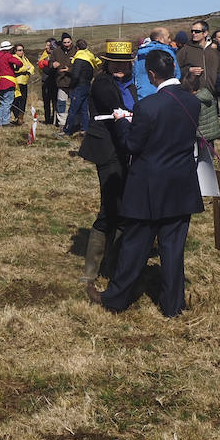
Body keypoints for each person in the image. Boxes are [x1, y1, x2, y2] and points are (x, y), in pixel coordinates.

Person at [85, 47, 202, 317]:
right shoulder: (193, 103)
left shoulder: (147, 106)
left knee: (135, 245)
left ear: (151, 74)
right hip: (181, 184)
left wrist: (122, 122)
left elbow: (131, 145)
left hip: (148, 186)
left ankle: (115, 299)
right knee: (173, 250)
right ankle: (173, 306)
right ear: (173, 69)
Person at [77, 40, 138, 284]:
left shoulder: (131, 85)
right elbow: (116, 108)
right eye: (115, 63)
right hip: (107, 150)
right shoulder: (103, 83)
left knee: (124, 206)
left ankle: (113, 266)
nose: (120, 67)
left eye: (124, 63)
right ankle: (91, 272)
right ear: (107, 63)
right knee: (110, 207)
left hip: (126, 149)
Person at [178, 19, 220, 97]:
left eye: (197, 31)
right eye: (192, 31)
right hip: (192, 96)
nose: (193, 33)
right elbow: (174, 70)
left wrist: (218, 88)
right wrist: (188, 70)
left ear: (205, 33)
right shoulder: (185, 50)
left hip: (212, 96)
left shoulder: (214, 51)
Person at [63, 39, 99, 134]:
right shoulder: (90, 57)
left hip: (79, 86)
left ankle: (67, 130)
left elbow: (75, 75)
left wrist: (72, 85)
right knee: (84, 109)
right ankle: (85, 128)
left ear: (77, 48)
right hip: (87, 85)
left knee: (73, 109)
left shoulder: (79, 59)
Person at [134, 26, 178, 100]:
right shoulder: (168, 53)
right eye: (168, 37)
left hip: (143, 94)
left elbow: (134, 74)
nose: (170, 40)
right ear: (160, 39)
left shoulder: (140, 54)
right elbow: (176, 74)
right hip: (165, 95)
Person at [0, 41, 20, 126]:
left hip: (0, 81)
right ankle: (5, 122)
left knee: (2, 103)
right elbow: (19, 62)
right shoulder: (7, 56)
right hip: (9, 81)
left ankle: (1, 121)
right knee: (8, 102)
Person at [11, 43, 34, 123]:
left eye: (22, 50)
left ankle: (21, 117)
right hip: (17, 82)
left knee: (23, 100)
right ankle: (17, 117)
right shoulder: (14, 58)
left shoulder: (25, 58)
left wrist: (28, 70)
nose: (21, 52)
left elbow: (32, 67)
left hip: (24, 82)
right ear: (15, 51)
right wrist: (25, 69)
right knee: (16, 100)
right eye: (19, 50)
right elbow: (16, 69)